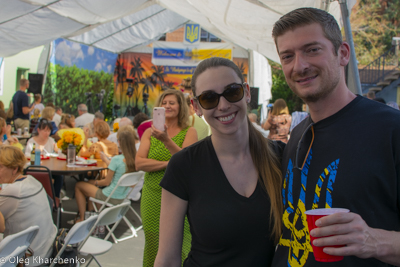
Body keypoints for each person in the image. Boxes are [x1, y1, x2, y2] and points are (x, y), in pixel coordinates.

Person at [271, 7, 400, 267]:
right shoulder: (297, 134)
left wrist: (374, 240)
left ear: (342, 53)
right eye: (288, 56)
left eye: (312, 50)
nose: (300, 65)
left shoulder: (390, 129)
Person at [154, 58, 283, 266]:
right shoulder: (184, 165)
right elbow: (167, 259)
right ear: (196, 106)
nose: (223, 105)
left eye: (232, 92)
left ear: (247, 92)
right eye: (209, 98)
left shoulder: (281, 157)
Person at [136, 89, 198, 267]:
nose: (168, 106)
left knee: (181, 244)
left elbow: (187, 164)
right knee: (153, 242)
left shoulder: (189, 132)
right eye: (164, 103)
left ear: (181, 107)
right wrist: (168, 164)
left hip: (179, 196)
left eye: (172, 103)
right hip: (152, 194)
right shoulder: (149, 132)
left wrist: (166, 140)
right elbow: (139, 163)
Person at [0, 146, 57, 264]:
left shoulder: (13, 191)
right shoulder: (32, 180)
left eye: (0, 167)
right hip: (47, 251)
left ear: (14, 169)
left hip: (26, 259)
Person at [74, 128, 137, 223]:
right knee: (93, 190)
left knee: (79, 185)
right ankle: (93, 219)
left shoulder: (117, 159)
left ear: (119, 142)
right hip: (121, 197)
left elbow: (106, 182)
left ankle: (82, 219)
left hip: (110, 196)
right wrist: (106, 161)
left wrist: (94, 182)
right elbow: (125, 177)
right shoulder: (135, 160)